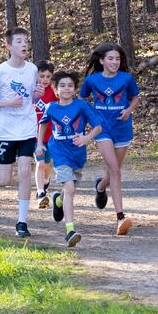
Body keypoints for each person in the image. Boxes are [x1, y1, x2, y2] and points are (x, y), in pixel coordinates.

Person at [0, 27, 44, 238]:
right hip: (5, 132)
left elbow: (29, 100)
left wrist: (37, 96)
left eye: (25, 41)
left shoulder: (31, 69)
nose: (24, 45)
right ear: (8, 46)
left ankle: (22, 223)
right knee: (3, 180)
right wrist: (7, 103)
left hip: (27, 129)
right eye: (19, 41)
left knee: (24, 172)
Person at [36, 71, 103, 247]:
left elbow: (98, 127)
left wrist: (86, 138)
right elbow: (42, 124)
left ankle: (58, 200)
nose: (66, 89)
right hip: (59, 152)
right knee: (70, 188)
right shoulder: (51, 107)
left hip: (78, 154)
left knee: (69, 189)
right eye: (62, 86)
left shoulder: (82, 106)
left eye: (70, 86)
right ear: (56, 90)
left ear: (75, 89)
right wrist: (39, 144)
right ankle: (70, 230)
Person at [80, 43, 140, 236]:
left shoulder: (126, 78)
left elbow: (135, 98)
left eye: (117, 59)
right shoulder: (92, 80)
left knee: (114, 171)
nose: (115, 62)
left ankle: (100, 186)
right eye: (111, 58)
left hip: (122, 129)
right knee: (115, 170)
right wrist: (90, 121)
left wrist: (128, 111)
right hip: (102, 129)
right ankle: (120, 217)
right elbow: (82, 101)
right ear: (101, 60)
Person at [33, 60, 58, 209]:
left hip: (51, 135)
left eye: (48, 76)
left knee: (47, 165)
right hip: (35, 136)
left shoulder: (54, 93)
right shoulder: (31, 91)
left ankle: (46, 180)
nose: (44, 80)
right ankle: (41, 192)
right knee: (40, 163)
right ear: (36, 76)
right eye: (42, 76)